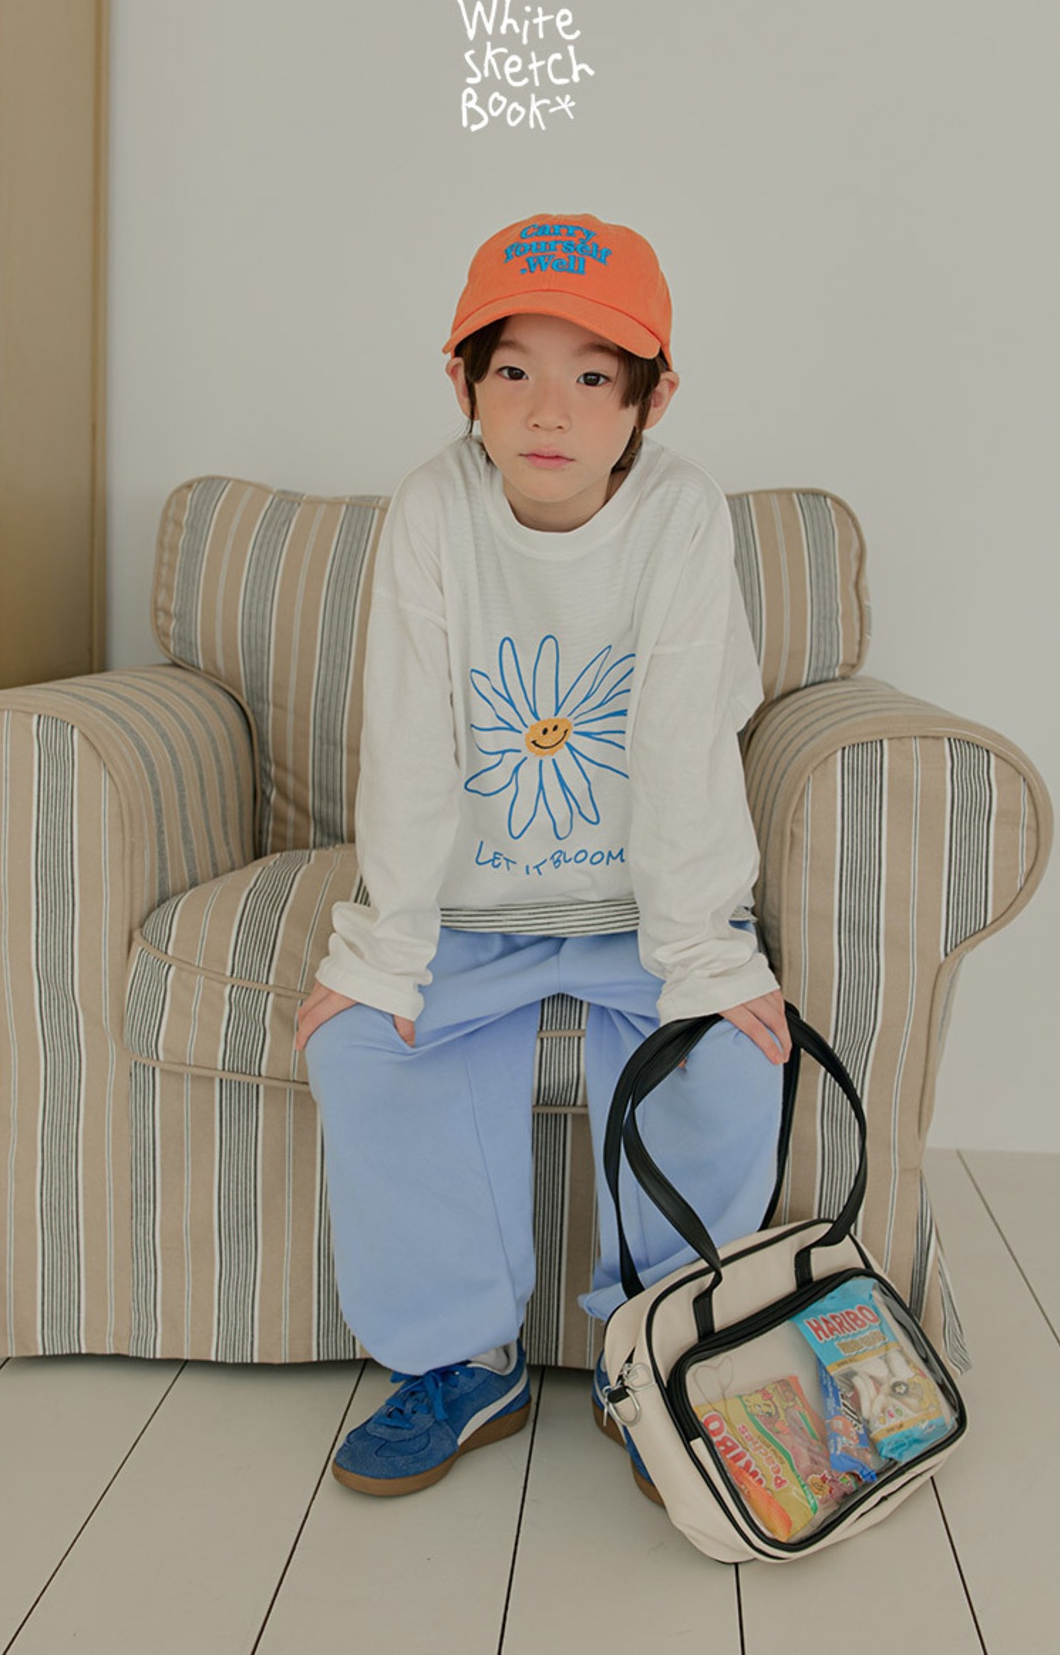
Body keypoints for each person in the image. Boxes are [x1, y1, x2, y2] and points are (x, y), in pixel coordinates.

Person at [294, 211, 792, 1498]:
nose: (546, 410)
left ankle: (653, 1346)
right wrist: (382, 948)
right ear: (462, 384)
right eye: (511, 369)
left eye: (591, 375)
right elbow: (407, 737)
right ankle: (462, 1358)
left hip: (638, 909)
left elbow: (684, 740)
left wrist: (703, 953)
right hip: (472, 910)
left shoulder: (680, 514)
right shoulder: (432, 508)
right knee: (362, 1045)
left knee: (729, 1061)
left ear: (649, 400)